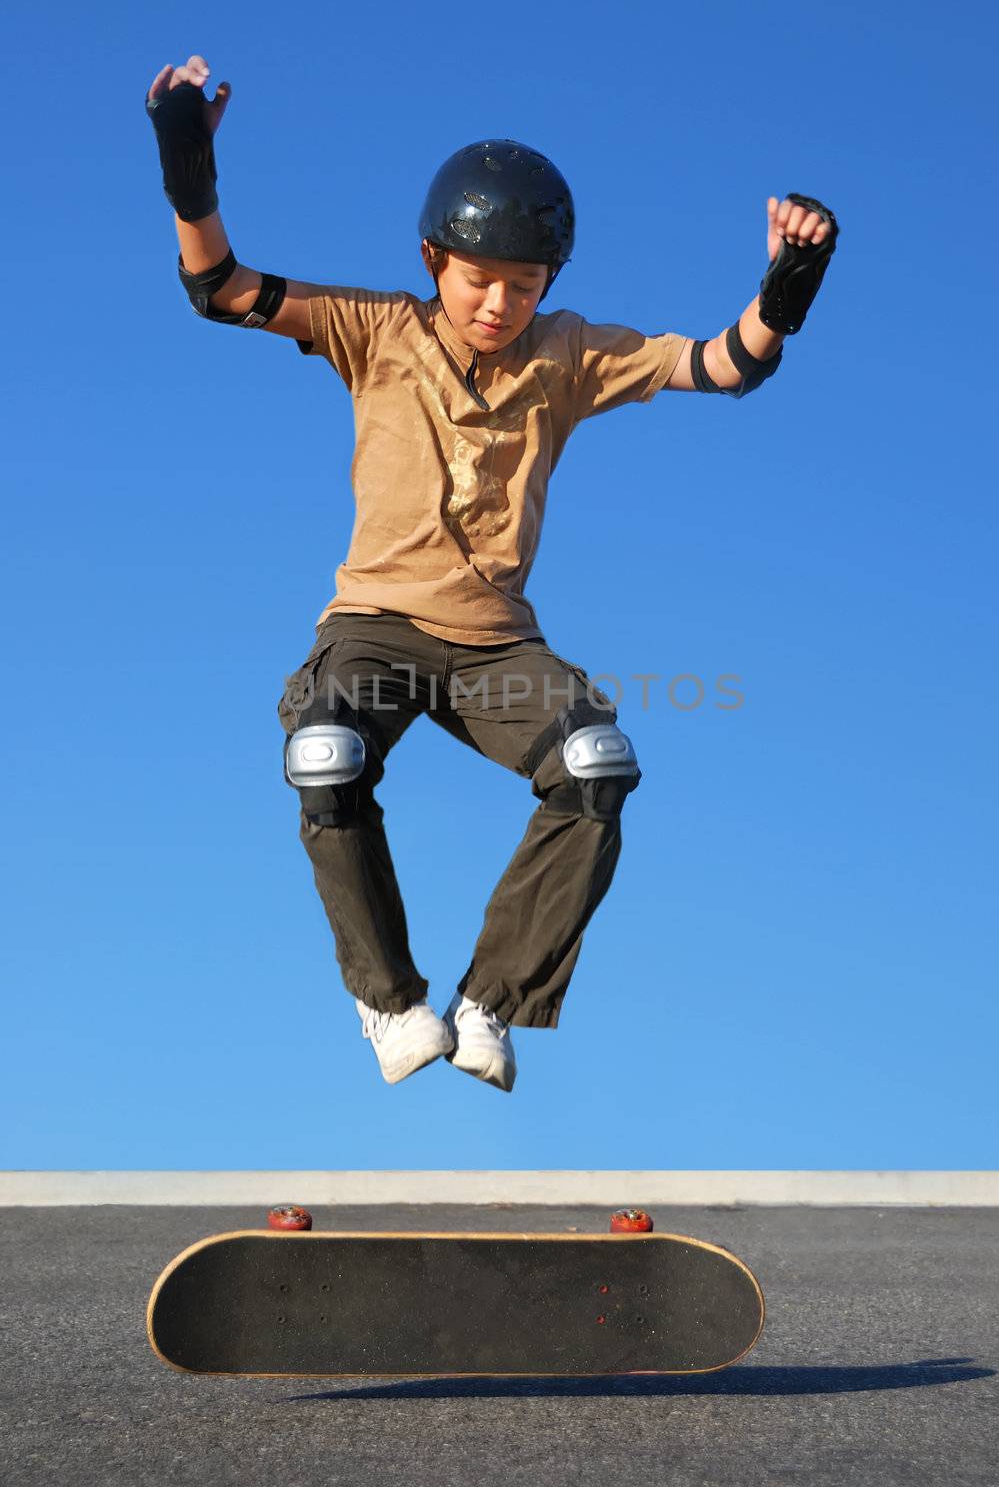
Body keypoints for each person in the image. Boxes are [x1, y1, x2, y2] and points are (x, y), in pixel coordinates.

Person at [146, 54, 838, 1093]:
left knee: (596, 762)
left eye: (523, 287)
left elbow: (722, 363)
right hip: (374, 625)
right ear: (434, 259)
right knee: (327, 753)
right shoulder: (369, 328)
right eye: (479, 282)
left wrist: (787, 282)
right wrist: (186, 156)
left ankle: (489, 1002)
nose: (498, 305)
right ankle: (385, 1002)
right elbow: (221, 289)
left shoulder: (568, 353)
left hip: (494, 647)